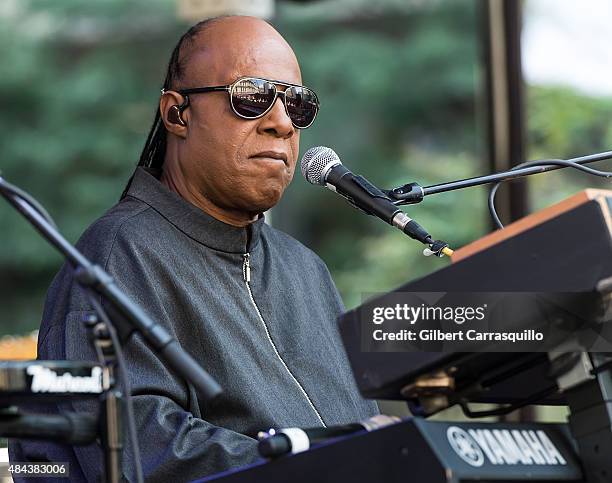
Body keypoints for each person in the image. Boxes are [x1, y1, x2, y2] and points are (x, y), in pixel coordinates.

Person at [10, 15, 378, 482]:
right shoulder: (117, 255)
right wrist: (327, 463)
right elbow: (140, 452)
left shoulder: (305, 269)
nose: (282, 123)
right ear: (177, 114)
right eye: (252, 97)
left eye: (298, 105)